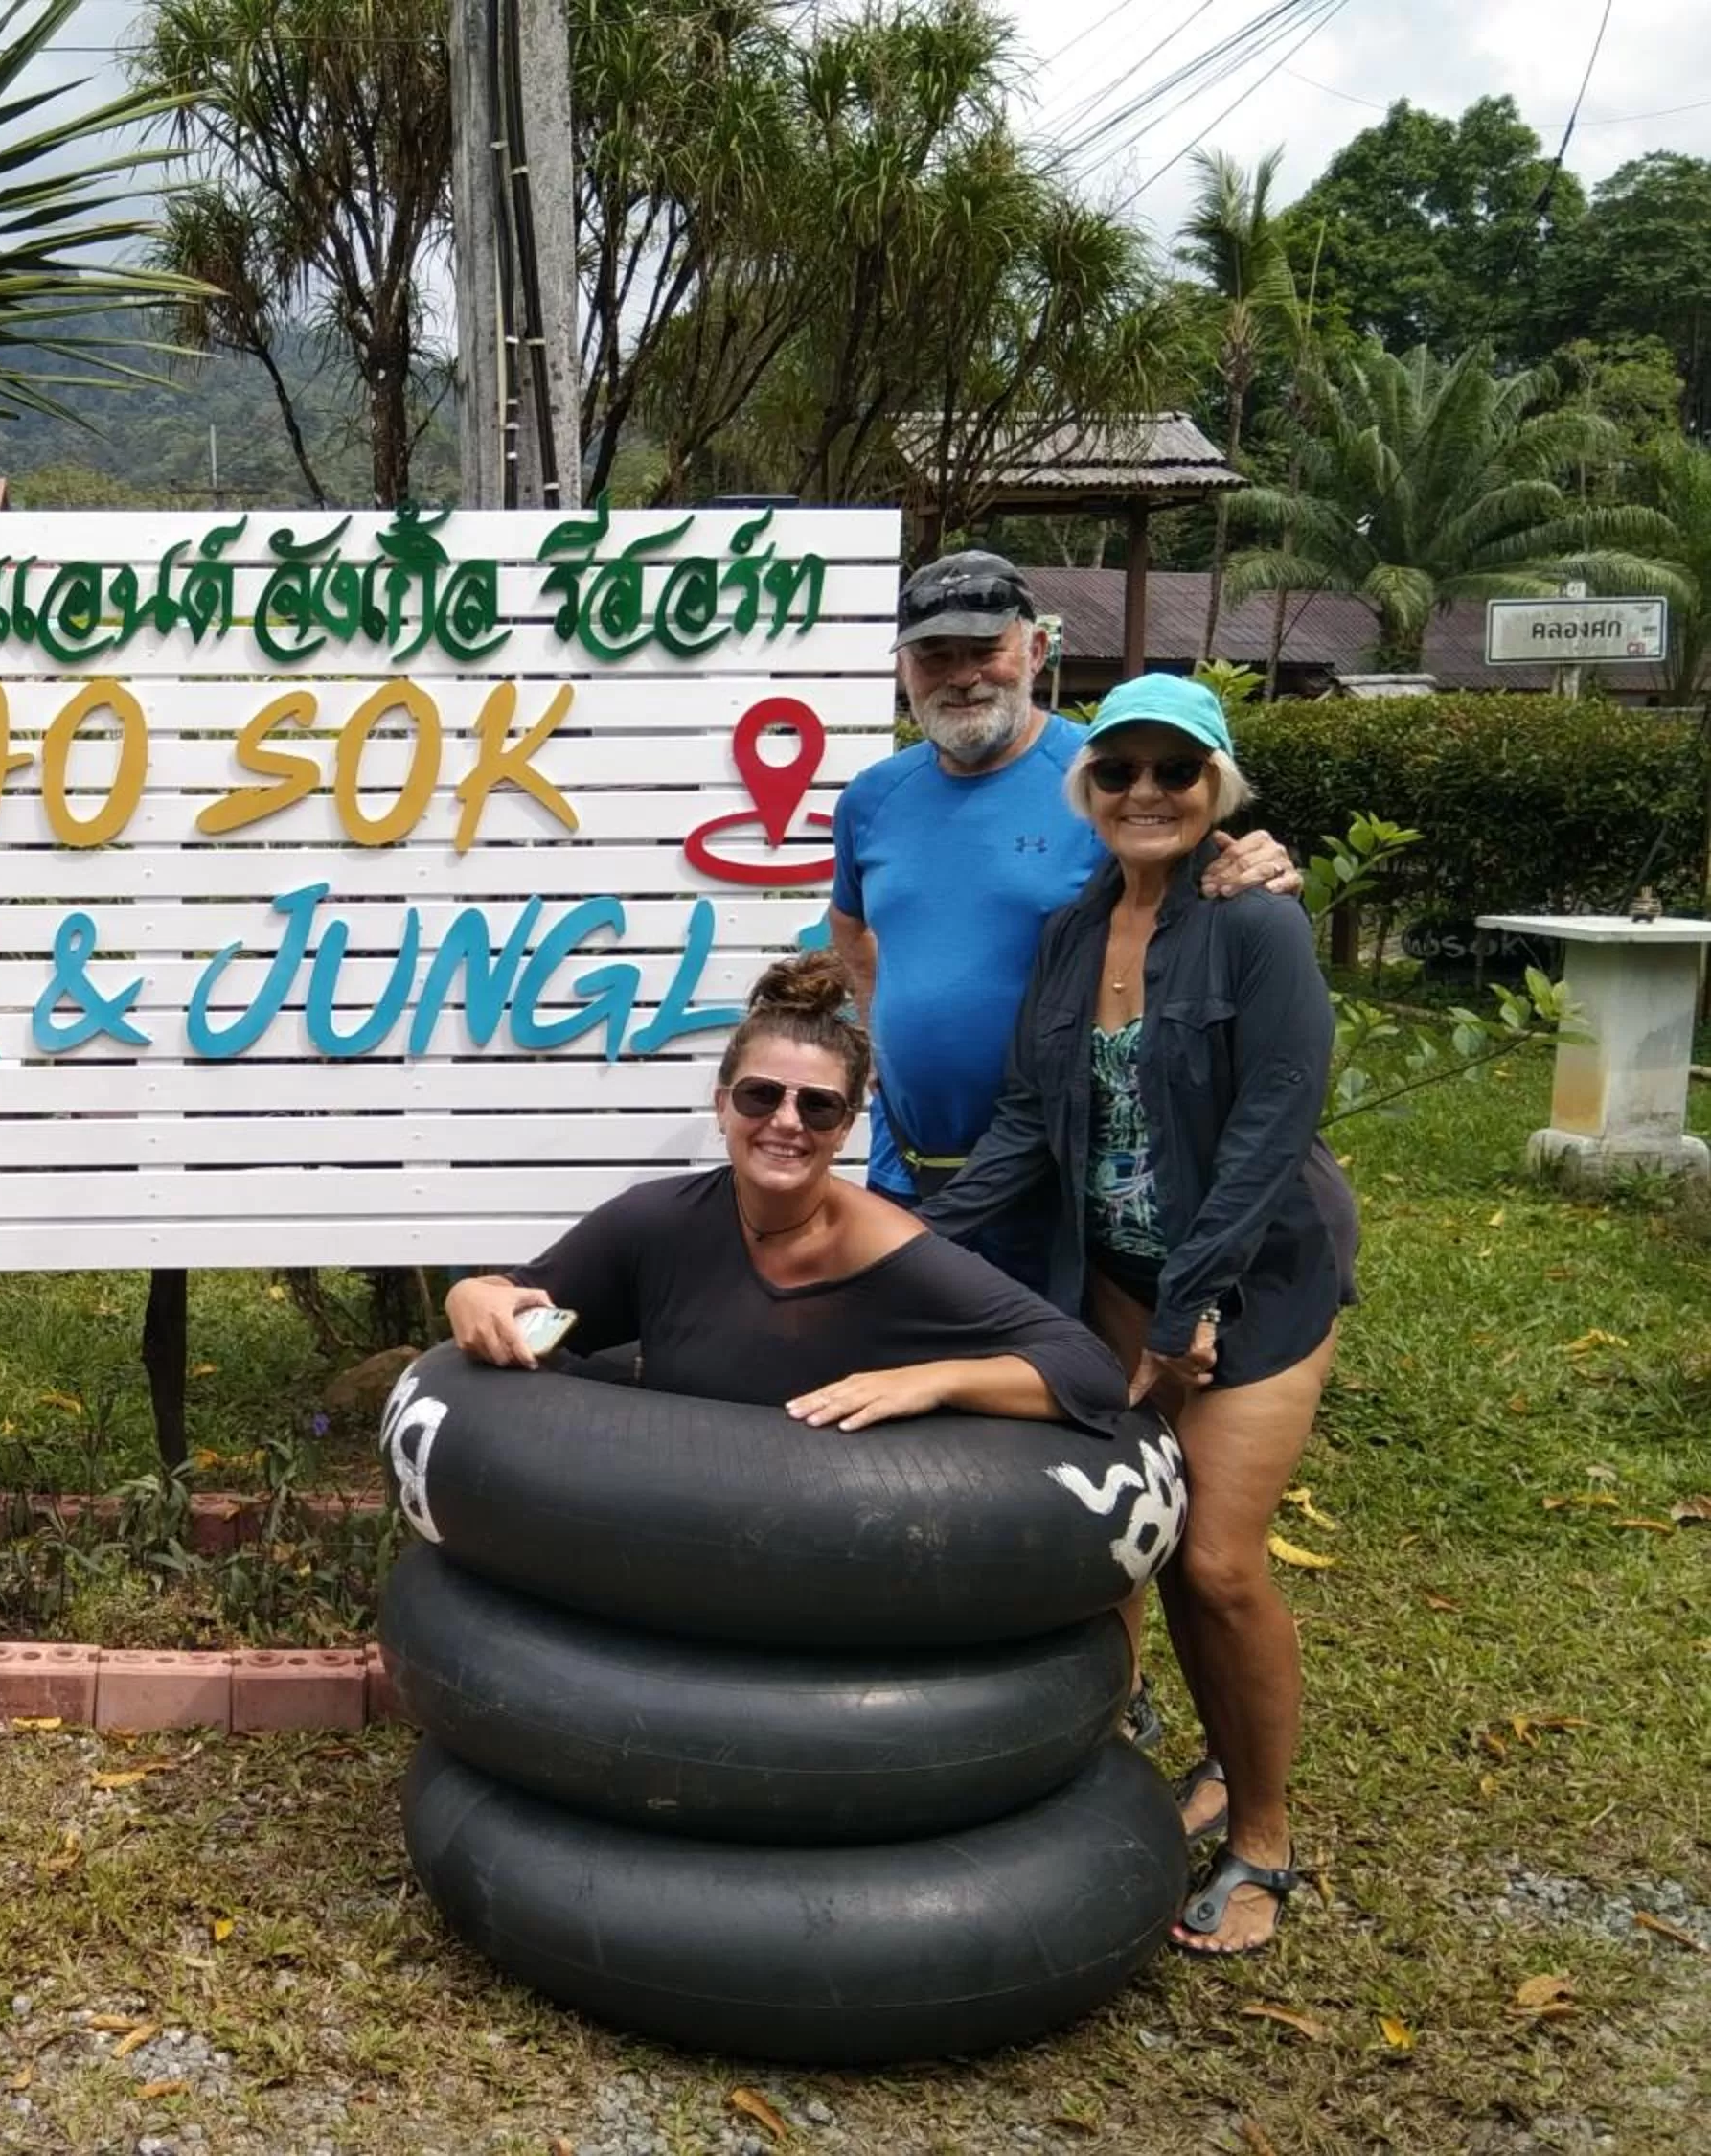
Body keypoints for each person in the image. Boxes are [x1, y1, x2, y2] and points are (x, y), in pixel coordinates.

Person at [924, 673, 1354, 1958]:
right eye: (1120, 772)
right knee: (1126, 1542)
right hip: (1113, 1275)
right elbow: (1024, 1124)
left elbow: (1275, 1126)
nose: (1147, 793)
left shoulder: (1256, 926)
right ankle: (1147, 1764)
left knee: (1215, 1564)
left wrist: (1193, 1303)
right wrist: (902, 1250)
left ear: (1217, 786)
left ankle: (1263, 1831)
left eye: (1177, 771)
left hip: (1257, 1280)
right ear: (1089, 791)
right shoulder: (1070, 934)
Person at [444, 952, 1131, 1441]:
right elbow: (518, 1301)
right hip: (674, 1530)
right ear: (721, 1105)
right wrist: (469, 1295)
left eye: (819, 1107)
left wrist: (932, 1379)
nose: (785, 1123)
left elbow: (1090, 1373)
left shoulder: (888, 1251)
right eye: (760, 1095)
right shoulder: (655, 1223)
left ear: (846, 1129)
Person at [830, 551, 1298, 1240]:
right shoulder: (872, 798)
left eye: (986, 650)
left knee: (1055, 1344)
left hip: (1063, 1166)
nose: (962, 677)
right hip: (909, 1158)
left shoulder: (1106, 779)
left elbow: (1208, 880)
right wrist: (882, 1036)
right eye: (934, 656)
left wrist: (1264, 862)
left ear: (1037, 648)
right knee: (910, 1338)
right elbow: (849, 923)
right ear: (904, 668)